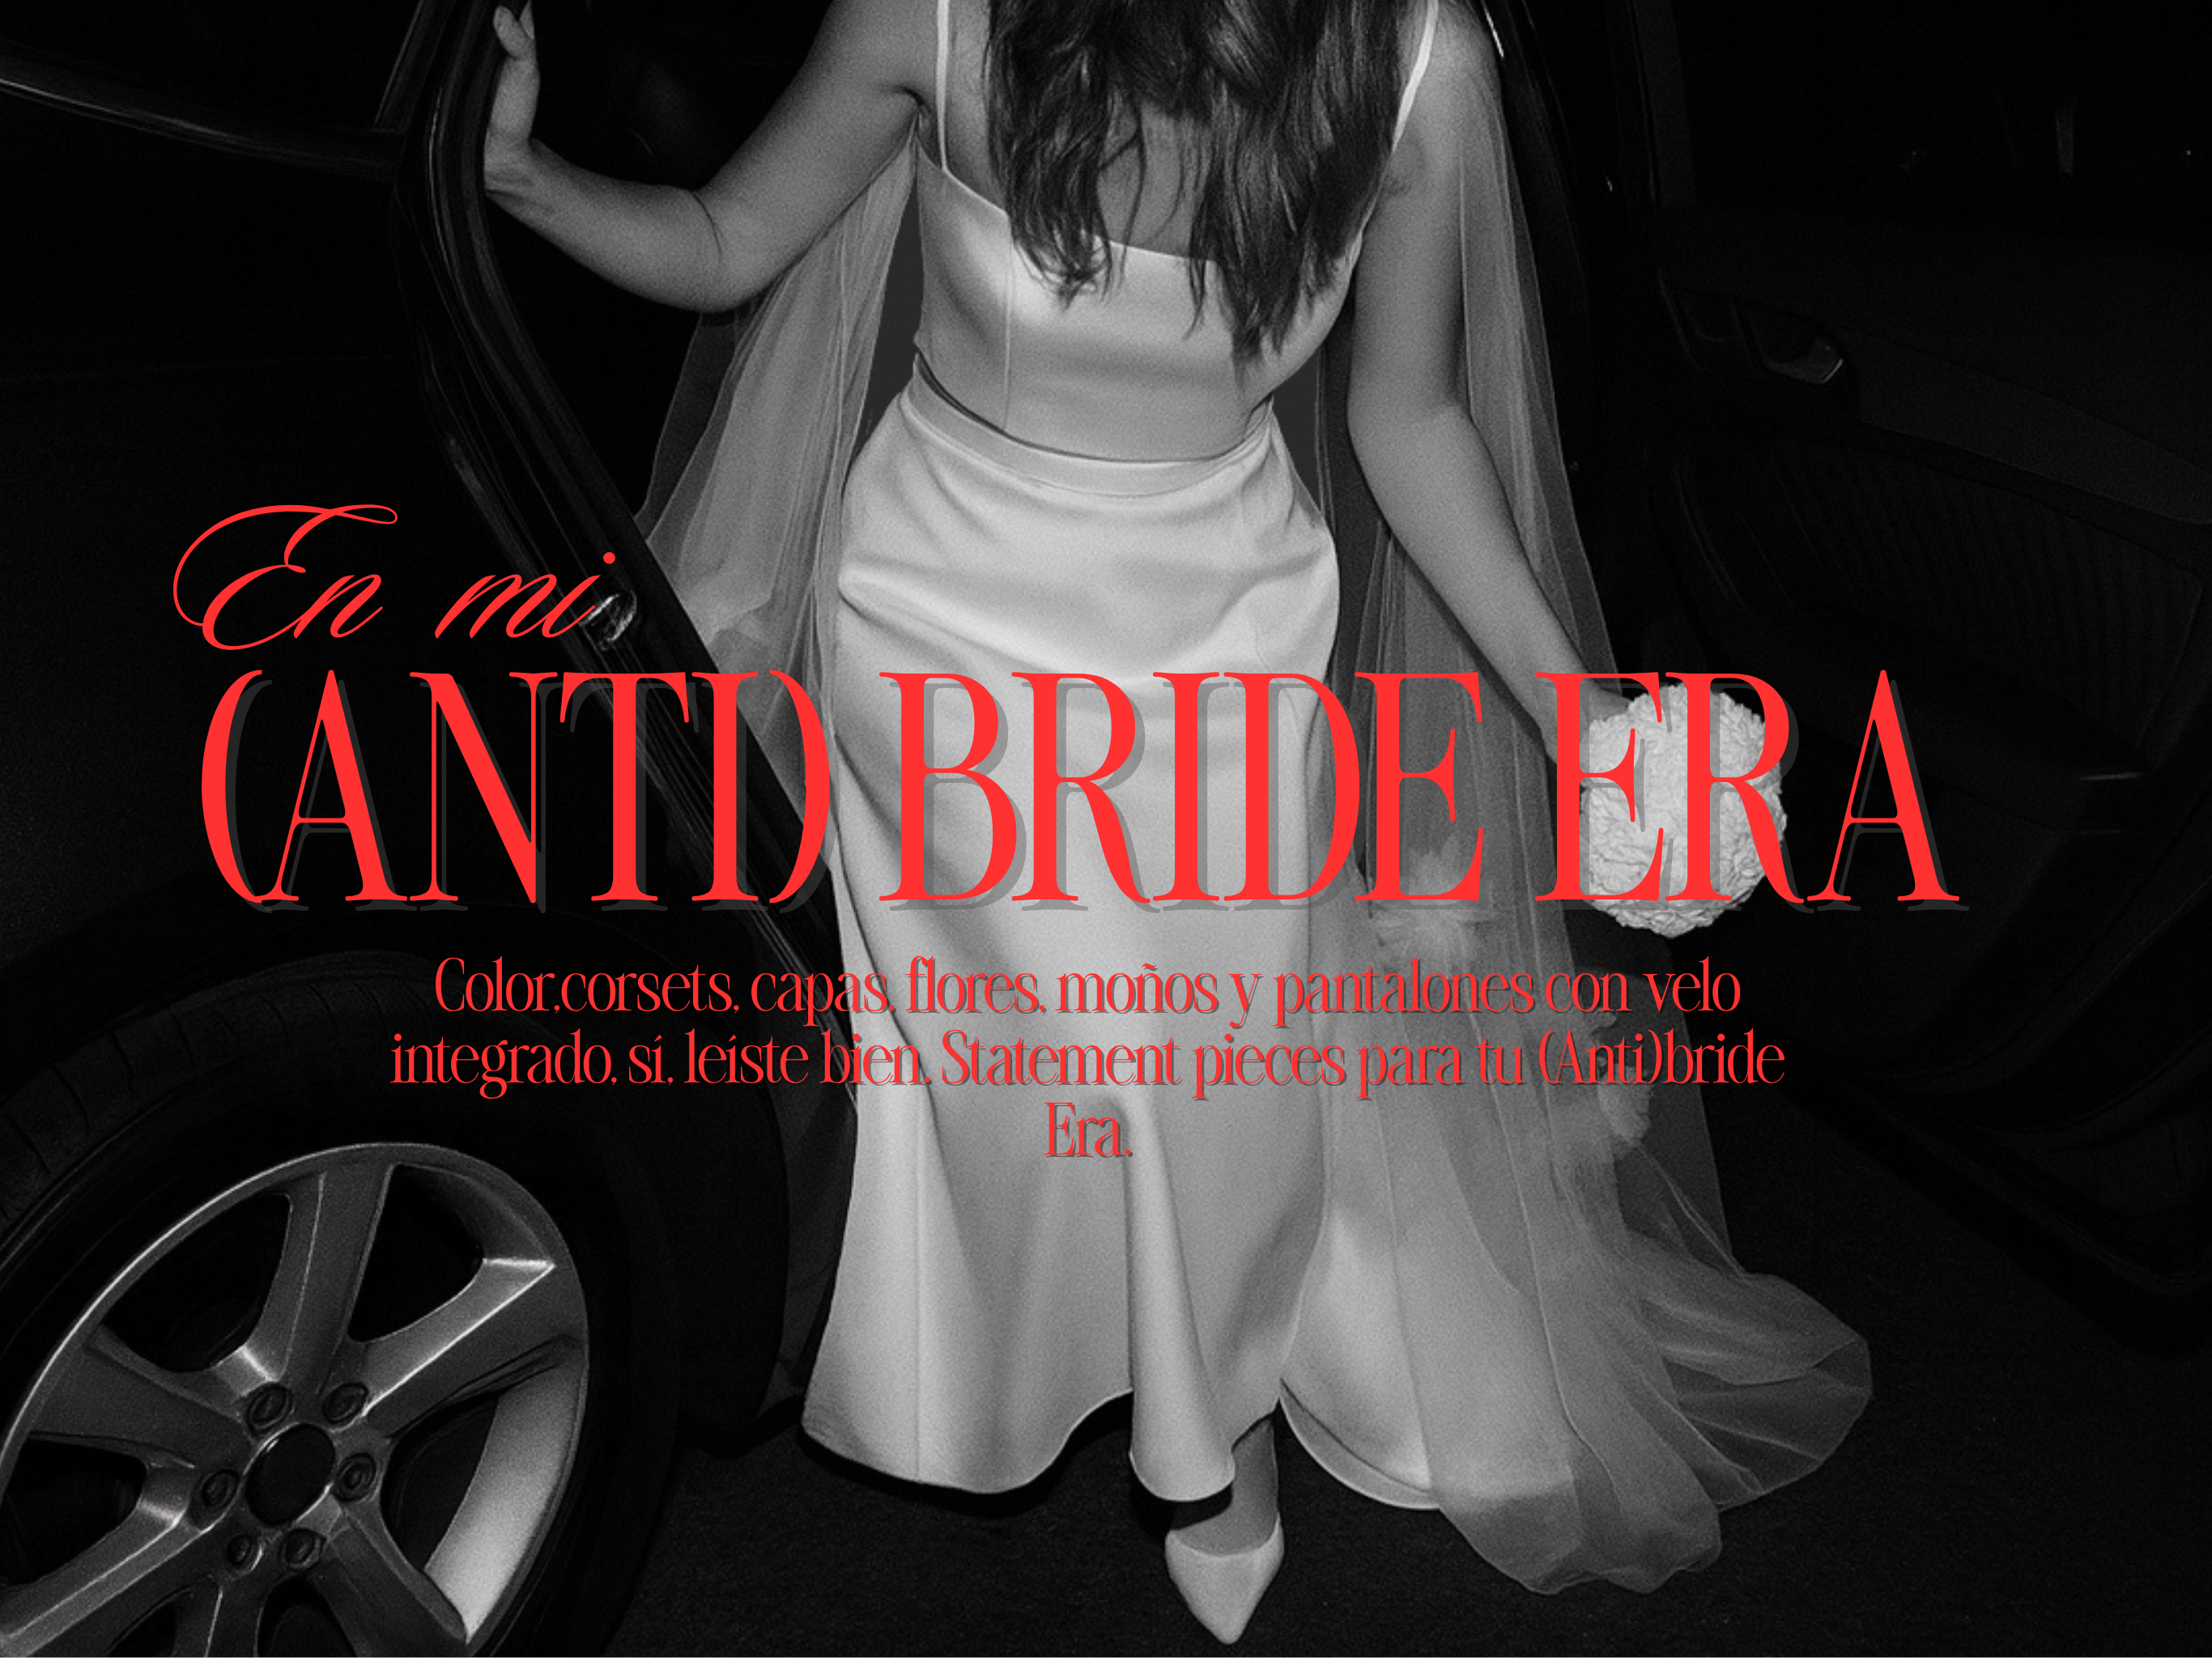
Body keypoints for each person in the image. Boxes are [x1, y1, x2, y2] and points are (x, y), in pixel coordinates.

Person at [484, 0, 1869, 1641]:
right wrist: (521, 175)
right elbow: (726, 242)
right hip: (944, 620)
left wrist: (1584, 720)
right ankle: (1101, 1374)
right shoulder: (935, 13)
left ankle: (1221, 1404)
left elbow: (1408, 415)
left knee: (1212, 1069)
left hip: (1229, 621)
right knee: (1061, 1055)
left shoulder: (1415, 67)